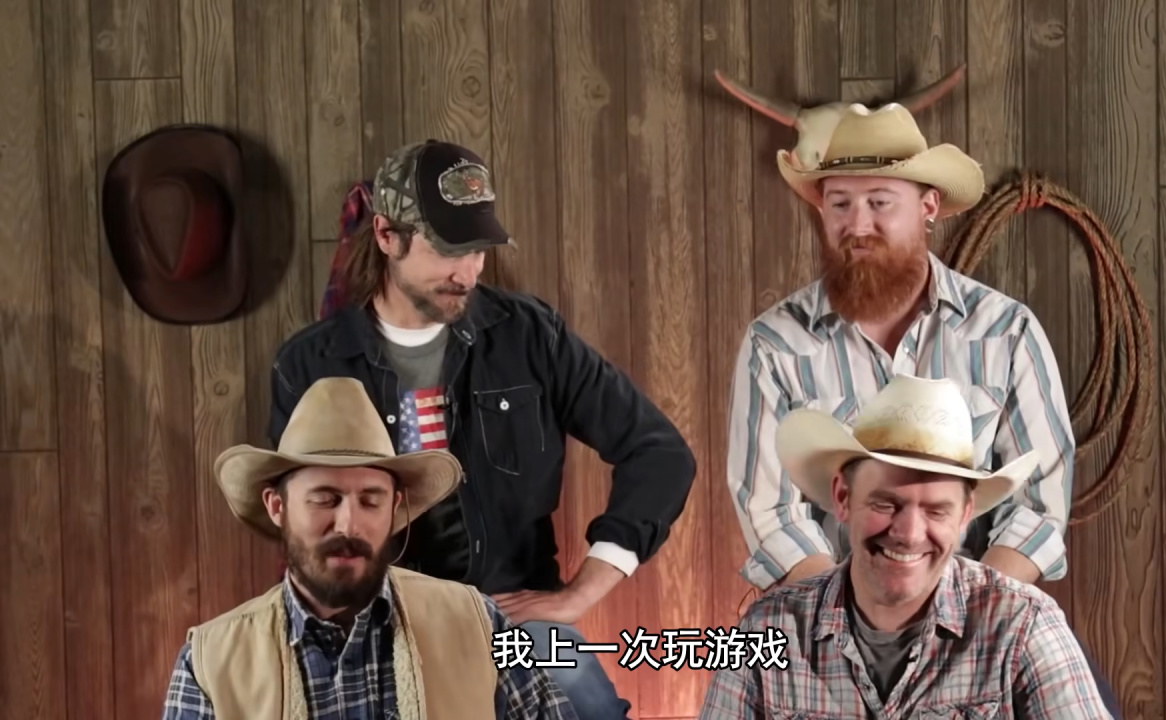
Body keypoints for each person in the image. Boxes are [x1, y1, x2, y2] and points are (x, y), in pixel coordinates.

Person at [266, 139, 696, 719]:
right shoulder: (309, 364)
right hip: (370, 625)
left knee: (586, 702)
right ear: (387, 235)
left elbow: (660, 454)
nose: (466, 272)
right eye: (448, 249)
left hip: (512, 620)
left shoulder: (529, 335)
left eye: (477, 250)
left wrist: (580, 593)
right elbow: (301, 524)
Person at [720, 95, 1122, 715]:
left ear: (928, 206)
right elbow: (769, 510)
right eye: (839, 203)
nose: (857, 224)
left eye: (880, 202)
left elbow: (1040, 503)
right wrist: (846, 629)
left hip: (984, 616)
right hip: (820, 621)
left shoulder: (1006, 332)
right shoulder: (775, 344)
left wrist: (971, 628)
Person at [161, 376, 578, 719]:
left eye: (370, 500)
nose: (349, 525)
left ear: (394, 506)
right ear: (277, 507)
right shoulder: (209, 663)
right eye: (325, 499)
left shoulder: (477, 622)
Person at [700, 374, 1114, 718]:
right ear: (843, 497)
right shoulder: (766, 628)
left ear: (965, 514)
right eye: (886, 504)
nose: (910, 533)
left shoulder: (1025, 625)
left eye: (936, 511)